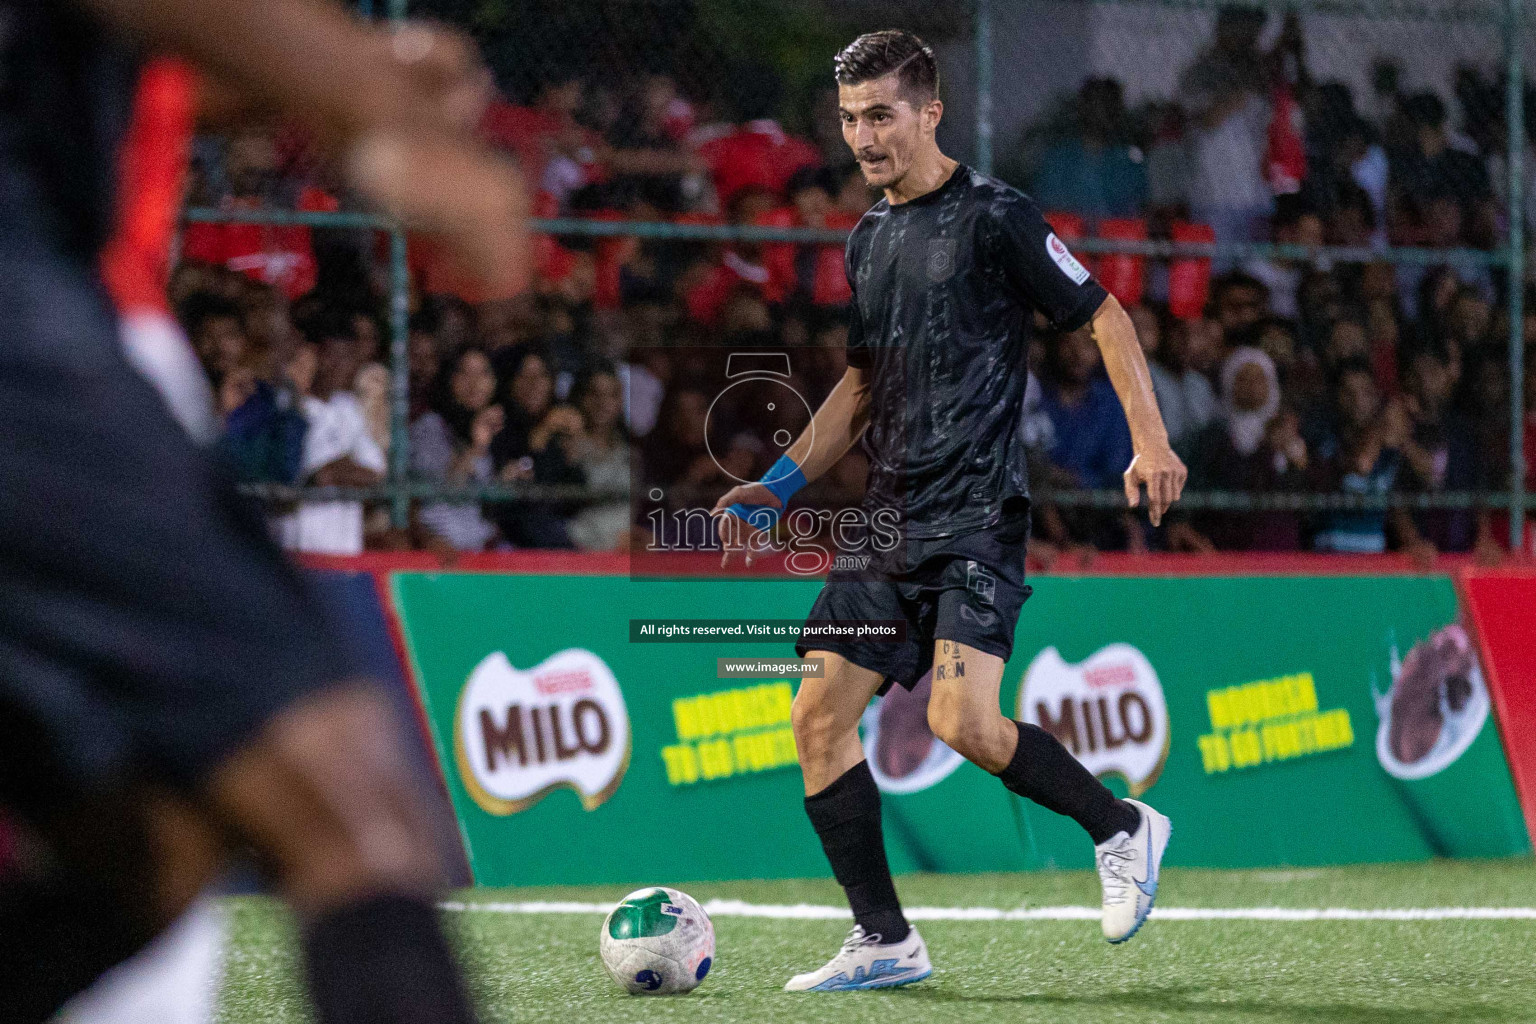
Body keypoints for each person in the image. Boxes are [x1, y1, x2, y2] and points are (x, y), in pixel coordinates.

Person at [0, 3, 526, 1024]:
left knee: (152, 843)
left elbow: (142, 83)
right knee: (350, 808)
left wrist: (354, 66)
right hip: (41, 340)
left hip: (69, 330)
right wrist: (369, 104)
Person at [710, 30, 1186, 992]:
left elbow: (1103, 313)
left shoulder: (997, 216)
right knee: (816, 717)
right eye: (850, 119)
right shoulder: (867, 239)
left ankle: (1121, 827)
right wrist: (781, 485)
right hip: (887, 522)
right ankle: (884, 938)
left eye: (880, 115)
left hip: (975, 515)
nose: (863, 137)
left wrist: (1150, 439)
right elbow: (860, 388)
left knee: (965, 724)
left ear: (930, 112)